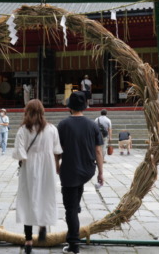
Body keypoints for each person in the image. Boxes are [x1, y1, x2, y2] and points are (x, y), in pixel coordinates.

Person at [12, 99, 63, 254]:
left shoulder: (23, 130)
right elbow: (57, 151)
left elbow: (19, 154)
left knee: (27, 200)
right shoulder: (52, 129)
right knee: (46, 197)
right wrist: (57, 167)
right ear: (42, 112)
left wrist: (28, 159)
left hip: (29, 168)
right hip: (48, 167)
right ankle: (42, 227)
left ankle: (28, 242)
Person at [56, 91, 104, 254]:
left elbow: (57, 150)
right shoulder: (93, 125)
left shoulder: (63, 125)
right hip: (87, 169)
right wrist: (100, 172)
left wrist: (57, 164)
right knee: (75, 196)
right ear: (84, 106)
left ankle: (74, 245)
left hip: (70, 169)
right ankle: (76, 207)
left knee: (69, 209)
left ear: (69, 107)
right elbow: (98, 150)